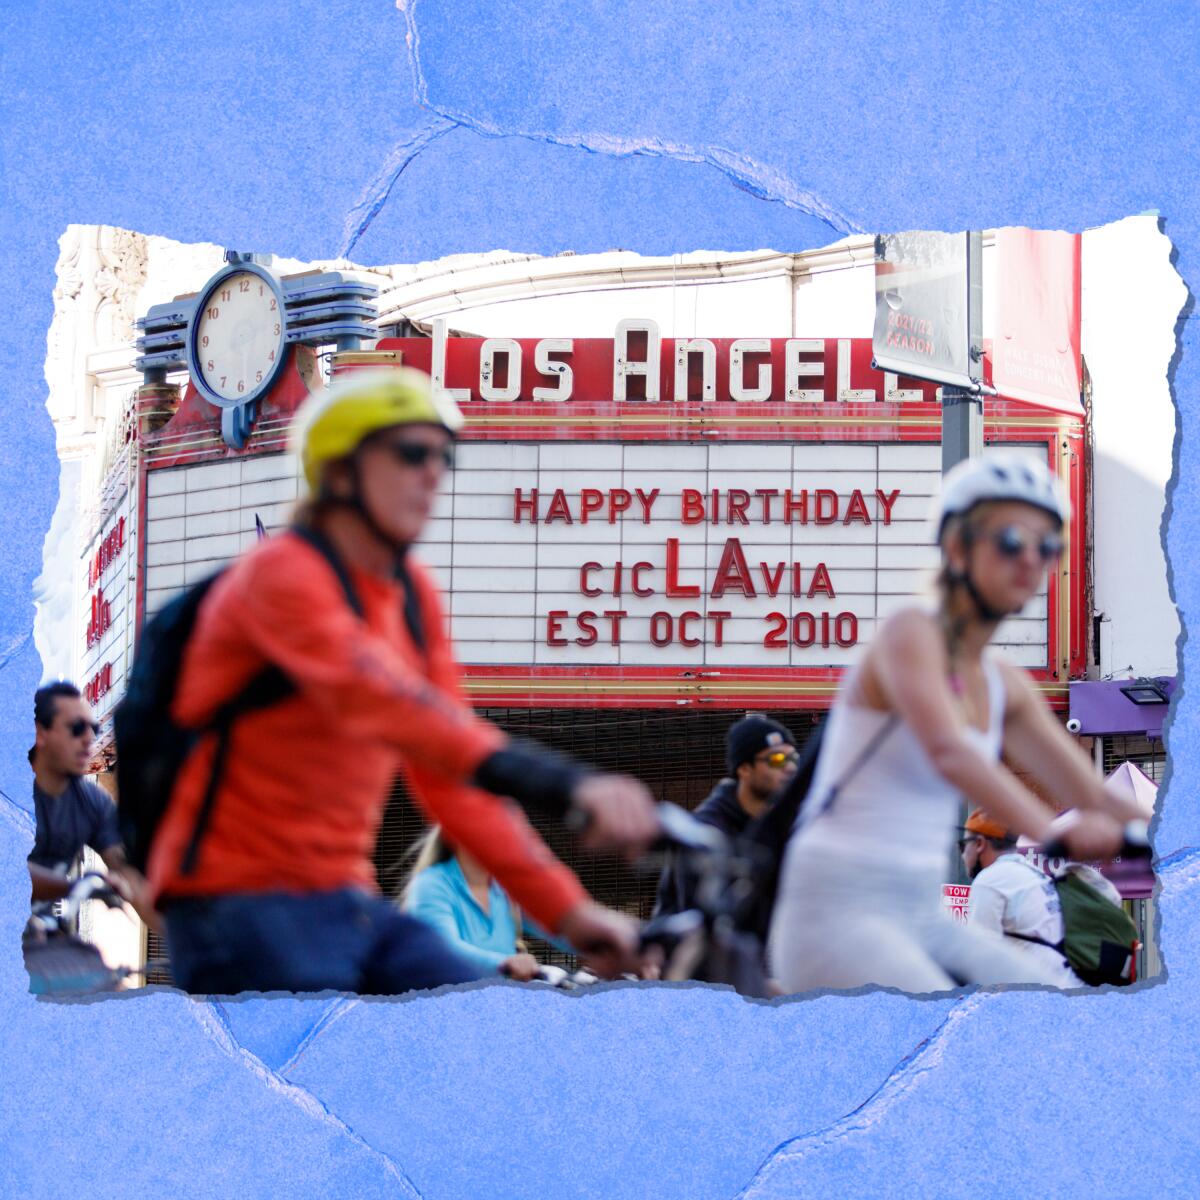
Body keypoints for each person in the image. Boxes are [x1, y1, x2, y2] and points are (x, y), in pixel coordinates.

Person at [146, 367, 661, 995]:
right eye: (412, 453)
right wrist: (571, 785)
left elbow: (453, 776)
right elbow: (387, 704)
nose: (433, 474)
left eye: (444, 458)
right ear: (340, 472)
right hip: (235, 901)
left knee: (493, 1018)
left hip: (344, 901)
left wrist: (572, 915)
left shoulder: (412, 597)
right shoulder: (282, 574)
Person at [768, 451, 1148, 994]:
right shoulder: (910, 633)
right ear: (955, 544)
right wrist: (1051, 834)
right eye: (1012, 540)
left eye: (1048, 546)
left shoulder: (1003, 683)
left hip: (920, 913)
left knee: (1056, 1013)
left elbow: (1091, 790)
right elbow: (950, 750)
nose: (1031, 561)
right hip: (838, 911)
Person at [653, 714, 798, 920]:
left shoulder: (785, 825)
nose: (790, 768)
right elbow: (704, 921)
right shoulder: (705, 832)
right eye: (777, 759)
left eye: (793, 758)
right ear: (745, 769)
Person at [961, 807, 1122, 988]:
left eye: (963, 845)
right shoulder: (1035, 873)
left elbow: (980, 959)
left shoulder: (990, 880)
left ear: (979, 844)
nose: (962, 854)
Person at [27, 682, 142, 907]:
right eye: (77, 728)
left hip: (37, 933)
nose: (89, 738)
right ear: (40, 733)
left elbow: (128, 875)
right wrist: (78, 887)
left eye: (94, 729)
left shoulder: (93, 802)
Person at [402, 826, 568, 980]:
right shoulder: (431, 883)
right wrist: (504, 962)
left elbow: (555, 927)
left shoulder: (506, 889)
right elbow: (443, 948)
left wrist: (591, 945)